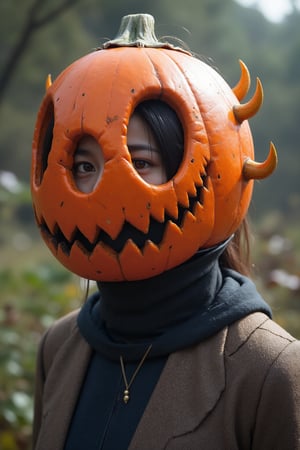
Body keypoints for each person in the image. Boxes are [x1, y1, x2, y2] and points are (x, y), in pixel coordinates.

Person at [31, 13, 300, 450]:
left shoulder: (269, 369)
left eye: (141, 163)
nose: (100, 192)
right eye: (83, 166)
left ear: (208, 172)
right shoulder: (58, 348)